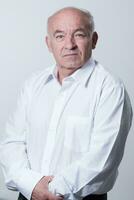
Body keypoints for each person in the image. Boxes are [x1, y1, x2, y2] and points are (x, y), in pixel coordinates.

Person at [0, 6, 133, 200]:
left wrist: (49, 191)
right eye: (60, 36)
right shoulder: (32, 85)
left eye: (79, 34)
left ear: (94, 40)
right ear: (49, 43)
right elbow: (13, 142)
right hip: (29, 194)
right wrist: (32, 185)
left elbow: (101, 160)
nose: (69, 44)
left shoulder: (110, 89)